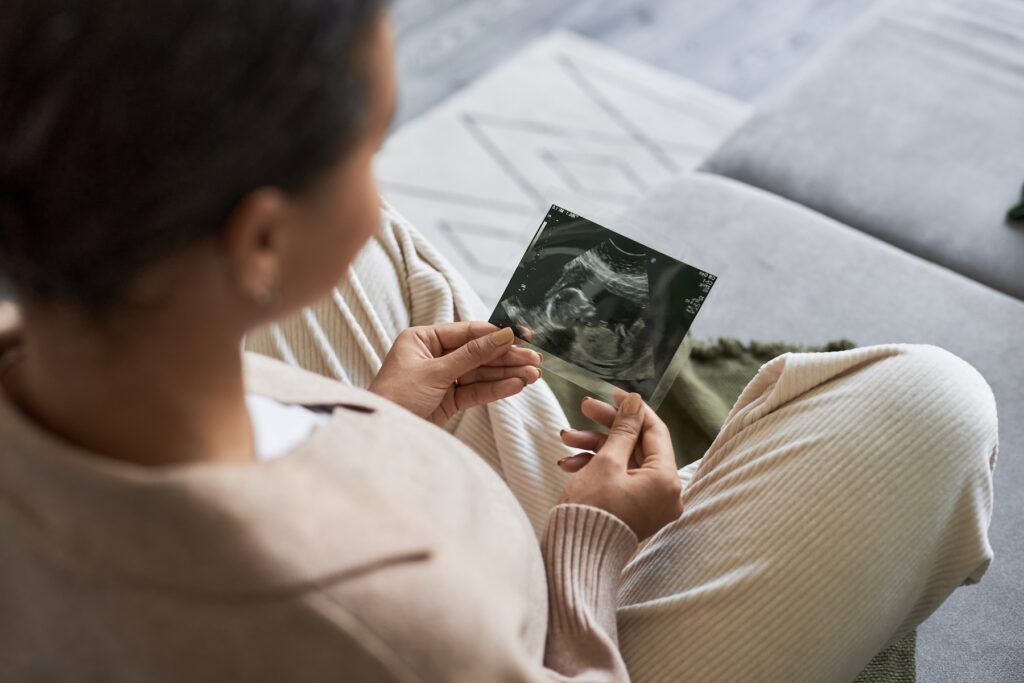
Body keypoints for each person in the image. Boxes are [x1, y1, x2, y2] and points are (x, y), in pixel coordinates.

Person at [0, 1, 999, 681]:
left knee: (375, 260)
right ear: (258, 239)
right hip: (538, 627)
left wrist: (374, 419)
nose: (377, 183)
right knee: (932, 407)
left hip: (365, 488)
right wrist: (589, 541)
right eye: (369, 147)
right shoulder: (395, 630)